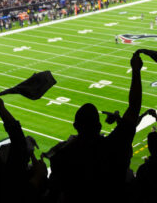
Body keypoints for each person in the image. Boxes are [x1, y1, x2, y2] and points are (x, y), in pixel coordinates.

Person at [49, 51, 144, 203]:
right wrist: (136, 71)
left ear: (75, 126)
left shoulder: (63, 156)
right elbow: (134, 108)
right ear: (99, 126)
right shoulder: (111, 146)